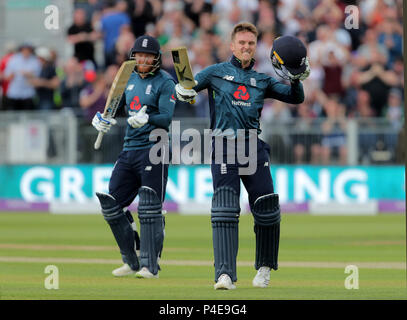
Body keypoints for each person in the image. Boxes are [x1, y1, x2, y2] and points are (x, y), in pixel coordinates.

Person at [175, 22, 310, 289]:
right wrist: (181, 91)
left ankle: (264, 268)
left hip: (253, 147)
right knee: (225, 209)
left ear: (255, 46)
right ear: (232, 45)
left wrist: (295, 78)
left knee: (267, 209)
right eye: (242, 43)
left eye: (251, 43)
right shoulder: (215, 73)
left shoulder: (262, 80)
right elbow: (186, 88)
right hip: (224, 146)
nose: (246, 47)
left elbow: (296, 99)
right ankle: (224, 274)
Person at [92, 35, 176, 278]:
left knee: (150, 207)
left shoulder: (165, 82)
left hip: (155, 148)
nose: (143, 59)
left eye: (148, 56)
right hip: (129, 149)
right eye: (139, 55)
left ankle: (151, 265)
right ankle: (131, 259)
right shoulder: (127, 78)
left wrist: (148, 117)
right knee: (112, 206)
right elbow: (116, 108)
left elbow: (167, 118)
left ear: (156, 58)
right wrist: (103, 119)